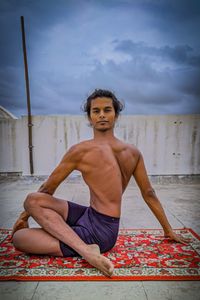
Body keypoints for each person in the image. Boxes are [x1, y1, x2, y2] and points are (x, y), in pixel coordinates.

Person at [12, 89, 188, 277]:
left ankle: (86, 251)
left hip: (100, 235)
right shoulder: (132, 152)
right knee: (34, 199)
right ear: (90, 117)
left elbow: (48, 188)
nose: (102, 114)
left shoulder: (81, 151)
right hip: (91, 216)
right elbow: (149, 193)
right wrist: (168, 230)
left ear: (116, 115)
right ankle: (75, 238)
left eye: (107, 110)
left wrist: (25, 217)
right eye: (96, 111)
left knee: (19, 238)